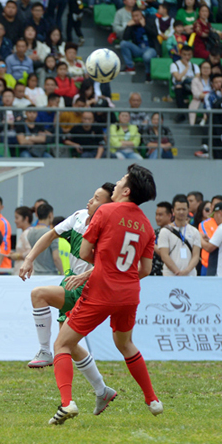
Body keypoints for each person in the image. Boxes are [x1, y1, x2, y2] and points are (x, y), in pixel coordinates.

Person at [47, 165, 162, 425]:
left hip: (100, 291)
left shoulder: (106, 212)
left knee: (62, 344)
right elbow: (145, 269)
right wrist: (121, 274)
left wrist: (105, 269)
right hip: (129, 294)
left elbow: (85, 253)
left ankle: (67, 403)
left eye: (121, 179)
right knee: (125, 344)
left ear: (126, 190)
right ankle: (152, 399)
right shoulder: (146, 225)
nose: (117, 182)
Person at [19, 185, 117, 412]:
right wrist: (29, 258)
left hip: (88, 288)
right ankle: (102, 391)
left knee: (38, 295)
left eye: (96, 198)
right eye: (92, 196)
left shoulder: (110, 228)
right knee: (68, 345)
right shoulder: (79, 216)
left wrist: (84, 276)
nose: (90, 200)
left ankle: (45, 352)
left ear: (107, 207)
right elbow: (50, 235)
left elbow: (110, 264)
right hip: (71, 282)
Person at [157, 194, 202, 276]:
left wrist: (186, 271)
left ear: (188, 210)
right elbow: (164, 255)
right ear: (173, 211)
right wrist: (177, 271)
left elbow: (196, 256)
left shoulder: (194, 231)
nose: (181, 212)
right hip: (170, 275)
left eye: (184, 209)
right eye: (178, 209)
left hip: (190, 275)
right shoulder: (165, 231)